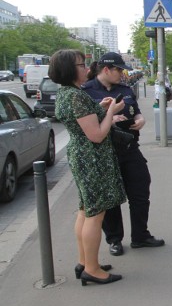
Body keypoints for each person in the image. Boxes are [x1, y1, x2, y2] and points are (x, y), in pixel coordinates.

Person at [49, 49, 126, 286]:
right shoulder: (77, 96)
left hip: (82, 156)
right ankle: (92, 269)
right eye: (82, 65)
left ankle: (85, 262)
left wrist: (100, 108)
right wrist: (111, 111)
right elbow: (97, 135)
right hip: (92, 159)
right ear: (70, 69)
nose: (86, 68)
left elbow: (85, 122)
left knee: (85, 210)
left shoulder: (67, 93)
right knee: (96, 213)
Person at [83, 52, 165, 256]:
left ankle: (140, 235)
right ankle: (114, 240)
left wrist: (140, 119)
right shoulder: (86, 91)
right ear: (106, 70)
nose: (122, 73)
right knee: (111, 198)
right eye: (118, 70)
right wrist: (109, 116)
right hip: (105, 152)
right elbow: (87, 124)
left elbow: (135, 111)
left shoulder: (125, 89)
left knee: (140, 190)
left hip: (129, 147)